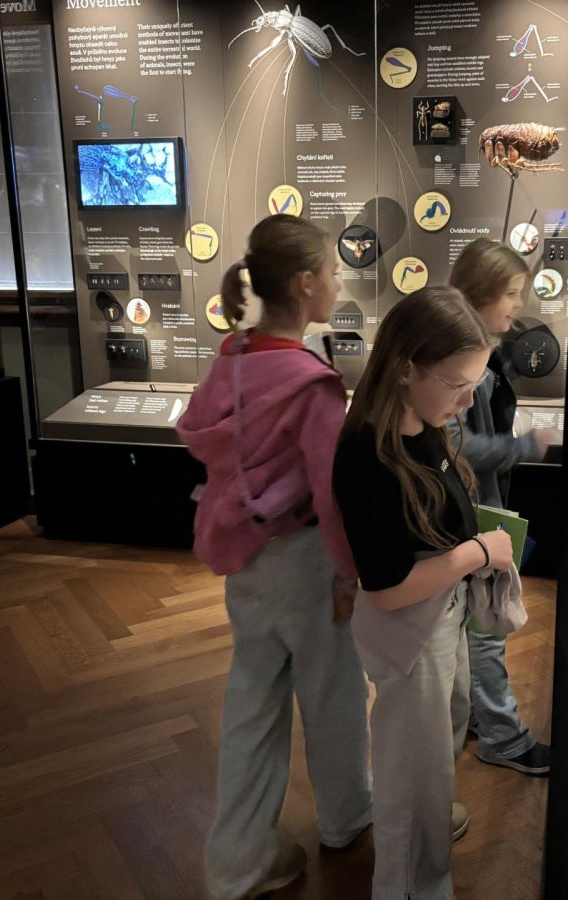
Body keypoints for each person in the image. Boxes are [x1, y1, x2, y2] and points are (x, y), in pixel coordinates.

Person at [179, 214, 371, 900]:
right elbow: (331, 494)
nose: (339, 283)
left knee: (251, 705)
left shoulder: (231, 360)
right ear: (305, 283)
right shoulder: (312, 383)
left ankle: (238, 865)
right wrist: (349, 572)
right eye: (334, 272)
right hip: (307, 561)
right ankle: (347, 818)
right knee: (334, 693)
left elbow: (202, 436)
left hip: (247, 558)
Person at [334, 286, 515, 900]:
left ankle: (427, 843)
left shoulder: (427, 424)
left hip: (441, 617)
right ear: (406, 368)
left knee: (435, 751)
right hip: (409, 632)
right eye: (457, 384)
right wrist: (477, 553)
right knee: (412, 776)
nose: (467, 402)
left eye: (475, 385)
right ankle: (411, 884)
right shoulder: (368, 455)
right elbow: (386, 589)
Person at [448, 238, 554, 776]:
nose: (518, 304)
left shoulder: (474, 352)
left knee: (480, 623)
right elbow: (457, 444)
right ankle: (503, 738)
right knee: (488, 625)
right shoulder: (467, 360)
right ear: (482, 292)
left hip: (474, 511)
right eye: (510, 293)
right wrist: (521, 447)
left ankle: (479, 718)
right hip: (472, 515)